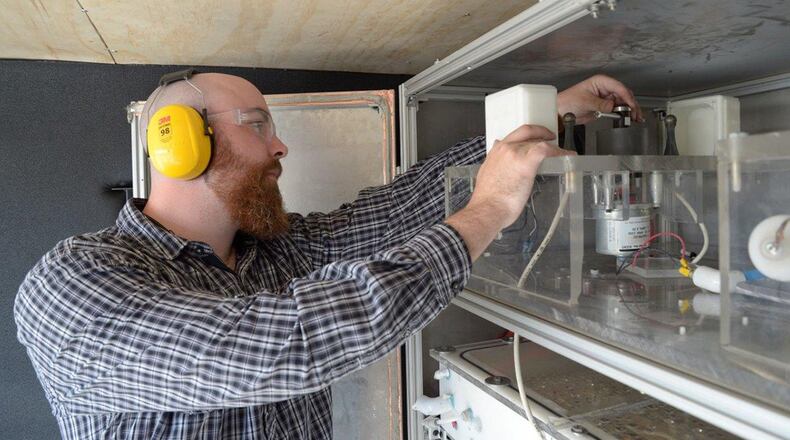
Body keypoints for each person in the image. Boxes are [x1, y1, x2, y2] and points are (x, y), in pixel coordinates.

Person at [15, 72, 640, 439]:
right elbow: (281, 345)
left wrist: (533, 125)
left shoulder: (278, 253)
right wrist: (487, 212)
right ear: (178, 139)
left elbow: (395, 212)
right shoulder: (73, 284)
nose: (279, 145)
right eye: (257, 124)